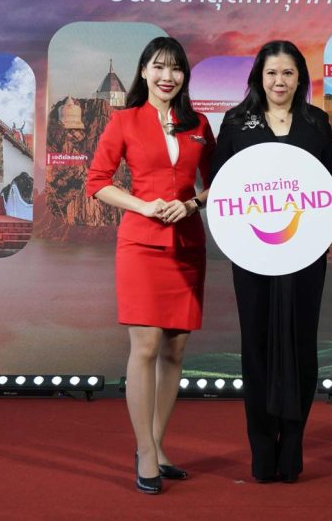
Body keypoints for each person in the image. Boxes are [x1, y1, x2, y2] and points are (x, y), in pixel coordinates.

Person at [85, 36, 214, 495]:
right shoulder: (124, 120)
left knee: (175, 351)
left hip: (188, 246)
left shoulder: (199, 123)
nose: (167, 76)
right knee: (144, 347)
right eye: (158, 67)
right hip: (140, 245)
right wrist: (143, 206)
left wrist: (193, 204)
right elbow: (97, 182)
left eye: (175, 68)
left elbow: (219, 182)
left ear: (184, 76)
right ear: (143, 72)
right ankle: (143, 451)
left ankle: (158, 446)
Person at [210, 40, 332, 483]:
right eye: (271, 73)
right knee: (257, 345)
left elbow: (329, 187)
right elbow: (220, 186)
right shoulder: (236, 122)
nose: (279, 81)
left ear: (299, 77)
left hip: (306, 255)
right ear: (258, 78)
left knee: (302, 345)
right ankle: (263, 449)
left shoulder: (316, 123)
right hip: (251, 254)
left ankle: (294, 446)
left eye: (287, 73)